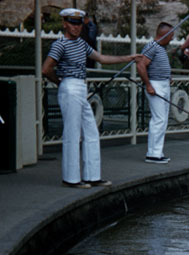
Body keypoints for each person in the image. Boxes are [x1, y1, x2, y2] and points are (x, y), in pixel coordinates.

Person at [41, 8, 139, 189]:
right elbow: (46, 69)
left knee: (91, 132)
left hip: (80, 86)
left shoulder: (81, 43)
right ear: (64, 23)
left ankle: (92, 176)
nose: (76, 27)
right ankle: (71, 178)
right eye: (72, 23)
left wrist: (129, 57)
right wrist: (60, 82)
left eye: (79, 23)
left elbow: (101, 58)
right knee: (72, 133)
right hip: (70, 86)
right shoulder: (59, 44)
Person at [136, 22, 174, 165]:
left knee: (163, 119)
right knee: (159, 119)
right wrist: (148, 84)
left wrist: (168, 76)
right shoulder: (152, 46)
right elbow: (141, 65)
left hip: (163, 84)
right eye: (171, 36)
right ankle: (152, 154)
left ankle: (158, 152)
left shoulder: (161, 48)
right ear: (164, 34)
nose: (171, 39)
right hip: (156, 85)